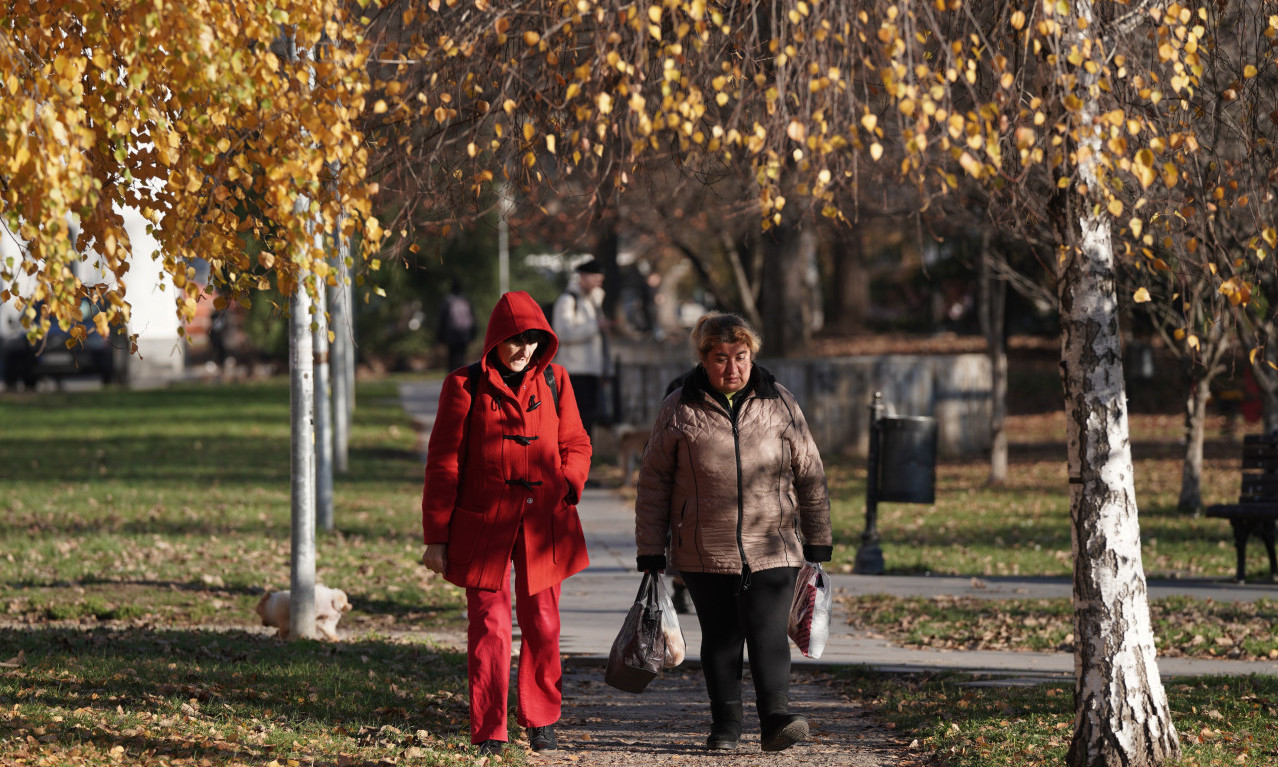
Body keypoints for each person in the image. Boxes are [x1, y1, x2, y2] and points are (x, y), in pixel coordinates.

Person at [633, 312, 832, 753]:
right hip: (704, 548)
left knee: (766, 630)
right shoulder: (679, 407)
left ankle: (775, 719)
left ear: (751, 355)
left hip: (773, 545)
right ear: (704, 359)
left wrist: (818, 537)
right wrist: (651, 550)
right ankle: (725, 724)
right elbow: (654, 483)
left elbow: (810, 473)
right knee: (721, 639)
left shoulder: (779, 402)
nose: (732, 368)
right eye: (720, 358)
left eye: (740, 357)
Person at [420, 290, 593, 757]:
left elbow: (577, 443)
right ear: (495, 340)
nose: (524, 351)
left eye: (533, 341)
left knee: (543, 622)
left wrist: (568, 484)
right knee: (489, 626)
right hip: (482, 525)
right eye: (515, 341)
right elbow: (443, 464)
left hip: (545, 523)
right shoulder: (464, 385)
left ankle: (541, 718)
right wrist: (436, 537)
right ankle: (490, 728)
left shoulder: (556, 380)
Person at [551, 259, 607, 437]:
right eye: (595, 279)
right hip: (574, 371)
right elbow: (563, 333)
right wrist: (595, 327)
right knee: (576, 420)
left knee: (588, 420)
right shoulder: (568, 300)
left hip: (591, 371)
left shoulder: (591, 301)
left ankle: (586, 459)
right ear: (583, 276)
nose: (598, 283)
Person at [437, 279, 477, 372]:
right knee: (462, 357)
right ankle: (462, 378)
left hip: (451, 334)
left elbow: (442, 320)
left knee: (452, 358)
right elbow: (473, 318)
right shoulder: (466, 300)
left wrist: (440, 338)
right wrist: (473, 335)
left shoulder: (447, 301)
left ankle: (451, 380)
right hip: (464, 334)